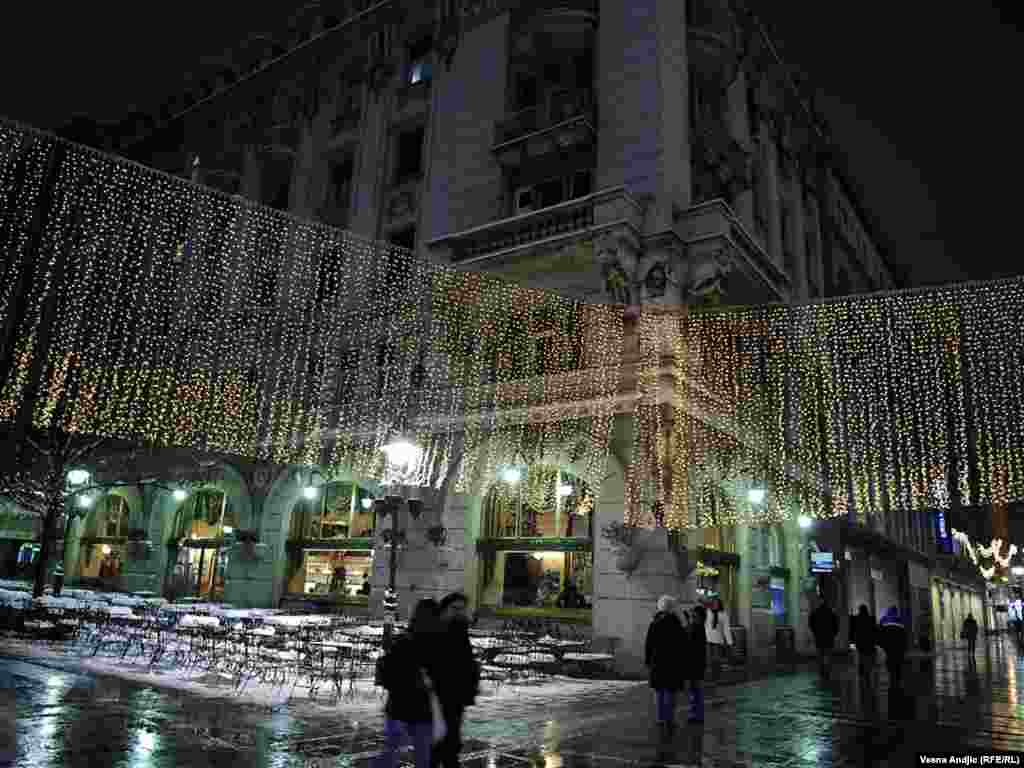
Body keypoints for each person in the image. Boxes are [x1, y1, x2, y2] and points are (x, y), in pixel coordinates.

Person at [376, 598, 441, 768]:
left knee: (391, 751)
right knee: (422, 755)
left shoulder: (404, 640)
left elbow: (390, 671)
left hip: (398, 706)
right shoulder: (436, 644)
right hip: (421, 709)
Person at [432, 592, 479, 768]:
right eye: (454, 608)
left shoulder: (460, 632)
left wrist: (469, 687)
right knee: (437, 748)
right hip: (435, 699)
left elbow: (466, 664)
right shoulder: (434, 631)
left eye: (462, 609)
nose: (459, 612)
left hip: (454, 699)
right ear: (443, 610)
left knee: (450, 746)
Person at [645, 595, 687, 739]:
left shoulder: (654, 623)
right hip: (672, 664)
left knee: (658, 691)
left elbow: (648, 645)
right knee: (670, 691)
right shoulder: (677, 624)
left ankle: (660, 717)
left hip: (657, 663)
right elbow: (683, 646)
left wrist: (648, 662)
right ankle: (669, 718)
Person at [686, 604, 708, 724]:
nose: (692, 616)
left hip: (695, 664)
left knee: (696, 690)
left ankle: (696, 714)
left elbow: (690, 643)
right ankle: (695, 713)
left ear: (699, 616)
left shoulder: (697, 627)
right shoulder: (697, 626)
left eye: (694, 614)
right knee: (695, 690)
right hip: (696, 664)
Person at [878, 606, 908, 691]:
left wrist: (882, 646)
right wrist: (904, 647)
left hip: (889, 648)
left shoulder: (884, 621)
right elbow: (904, 636)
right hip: (898, 649)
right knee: (898, 665)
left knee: (890, 664)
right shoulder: (900, 621)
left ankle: (893, 682)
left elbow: (880, 636)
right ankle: (897, 682)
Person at [809, 598, 839, 678]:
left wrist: (815, 632)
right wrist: (834, 634)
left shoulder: (815, 612)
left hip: (819, 636)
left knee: (820, 653)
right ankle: (828, 668)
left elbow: (811, 624)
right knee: (828, 653)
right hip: (829, 637)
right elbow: (836, 625)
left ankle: (822, 668)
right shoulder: (831, 612)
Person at [704, 597, 733, 680]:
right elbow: (705, 625)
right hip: (708, 639)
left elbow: (726, 629)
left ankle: (717, 675)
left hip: (718, 640)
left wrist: (729, 642)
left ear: (720, 604)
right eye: (713, 603)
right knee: (709, 658)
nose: (714, 605)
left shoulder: (723, 614)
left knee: (716, 659)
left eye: (716, 603)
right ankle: (711, 675)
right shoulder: (708, 612)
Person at [850, 605, 877, 686]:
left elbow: (852, 631)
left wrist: (852, 642)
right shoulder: (871, 618)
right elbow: (874, 630)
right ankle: (867, 670)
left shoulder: (857, 619)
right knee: (868, 656)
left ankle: (862, 670)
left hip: (860, 641)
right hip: (869, 641)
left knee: (862, 655)